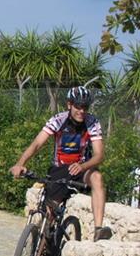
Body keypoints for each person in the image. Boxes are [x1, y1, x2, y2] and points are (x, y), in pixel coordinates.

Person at [10, 86, 113, 241]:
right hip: (59, 169)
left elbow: (99, 155)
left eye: (85, 107)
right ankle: (43, 246)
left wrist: (83, 166)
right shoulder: (58, 120)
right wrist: (20, 163)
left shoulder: (92, 122)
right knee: (50, 211)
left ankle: (98, 230)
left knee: (97, 177)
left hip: (81, 169)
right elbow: (37, 144)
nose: (82, 111)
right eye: (78, 106)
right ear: (69, 104)